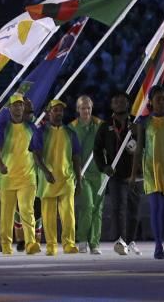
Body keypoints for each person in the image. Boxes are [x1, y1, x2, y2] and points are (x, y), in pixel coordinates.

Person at [0, 94, 48, 255]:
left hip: (27, 177)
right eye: (15, 105)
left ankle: (31, 243)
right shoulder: (3, 127)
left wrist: (44, 171)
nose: (18, 108)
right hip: (7, 177)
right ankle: (6, 245)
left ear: (24, 108)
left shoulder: (31, 128)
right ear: (9, 108)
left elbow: (37, 151)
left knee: (27, 210)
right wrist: (0, 164)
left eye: (21, 105)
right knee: (7, 213)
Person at [95, 92, 142, 256]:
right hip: (115, 174)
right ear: (111, 106)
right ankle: (120, 241)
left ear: (128, 104)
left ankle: (131, 241)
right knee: (118, 209)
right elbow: (97, 150)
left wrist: (139, 132)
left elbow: (147, 145)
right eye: (116, 101)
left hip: (136, 174)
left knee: (134, 210)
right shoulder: (106, 125)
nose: (119, 104)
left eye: (123, 101)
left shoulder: (137, 123)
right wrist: (104, 166)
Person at [132, 86, 164, 260]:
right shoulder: (144, 122)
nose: (162, 102)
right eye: (158, 99)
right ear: (150, 101)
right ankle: (158, 246)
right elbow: (138, 149)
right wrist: (134, 173)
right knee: (155, 208)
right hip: (151, 168)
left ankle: (160, 242)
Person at [39, 99, 81, 256]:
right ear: (49, 112)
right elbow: (36, 155)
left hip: (66, 179)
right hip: (48, 180)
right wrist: (45, 172)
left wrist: (79, 180)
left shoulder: (70, 132)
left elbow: (76, 157)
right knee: (48, 216)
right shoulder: (41, 131)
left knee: (68, 215)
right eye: (55, 110)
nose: (58, 113)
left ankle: (69, 244)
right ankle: (51, 245)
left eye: (60, 110)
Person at [70, 95, 104, 254]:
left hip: (99, 173)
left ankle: (94, 243)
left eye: (88, 108)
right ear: (78, 109)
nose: (86, 111)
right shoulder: (72, 127)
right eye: (83, 108)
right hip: (81, 174)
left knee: (98, 209)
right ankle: (82, 239)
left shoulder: (100, 125)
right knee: (87, 206)